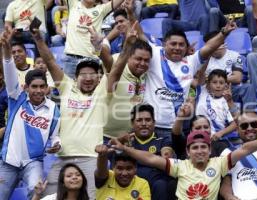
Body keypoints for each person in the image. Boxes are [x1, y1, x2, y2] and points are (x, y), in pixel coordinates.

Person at [107, 120, 257, 199]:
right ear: (188, 151)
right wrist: (124, 148)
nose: (199, 151)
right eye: (195, 147)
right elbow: (150, 159)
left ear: (209, 150)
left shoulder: (220, 163)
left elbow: (246, 148)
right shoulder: (179, 165)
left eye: (203, 147)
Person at [32, 28, 106, 198]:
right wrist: (38, 39)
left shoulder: (101, 92)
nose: (88, 78)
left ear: (99, 78)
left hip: (90, 158)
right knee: (45, 197)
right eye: (83, 75)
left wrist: (98, 48)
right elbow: (49, 60)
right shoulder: (67, 87)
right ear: (75, 77)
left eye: (92, 75)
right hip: (63, 159)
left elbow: (112, 68)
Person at [143, 20, 237, 139]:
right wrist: (130, 15)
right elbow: (140, 35)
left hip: (183, 127)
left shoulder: (192, 61)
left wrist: (224, 32)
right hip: (155, 127)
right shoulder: (154, 53)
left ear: (186, 47)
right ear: (164, 44)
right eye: (173, 44)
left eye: (181, 45)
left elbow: (209, 47)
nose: (177, 48)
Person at [0, 28, 61, 200]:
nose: (39, 90)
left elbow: (55, 137)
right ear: (26, 88)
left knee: (37, 194)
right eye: (34, 87)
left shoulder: (53, 109)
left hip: (33, 163)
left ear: (47, 88)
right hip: (8, 161)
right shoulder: (16, 97)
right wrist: (5, 49)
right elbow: (9, 68)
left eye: (42, 86)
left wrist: (57, 143)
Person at [103, 27, 153, 139]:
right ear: (129, 57)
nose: (142, 63)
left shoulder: (148, 73)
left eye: (146, 60)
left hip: (131, 139)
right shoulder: (117, 62)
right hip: (104, 136)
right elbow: (108, 62)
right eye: (138, 59)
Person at [63, 0, 125, 78]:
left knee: (91, 90)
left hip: (91, 60)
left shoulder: (102, 9)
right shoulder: (73, 3)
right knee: (69, 89)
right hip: (71, 59)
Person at [203, 31, 256, 106]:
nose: (209, 49)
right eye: (208, 47)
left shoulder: (234, 55)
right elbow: (202, 80)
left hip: (231, 89)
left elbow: (238, 78)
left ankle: (250, 113)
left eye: (212, 46)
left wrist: (215, 80)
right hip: (211, 91)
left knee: (248, 88)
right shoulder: (205, 59)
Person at [195, 69, 237, 156]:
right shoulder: (202, 92)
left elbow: (234, 124)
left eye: (221, 83)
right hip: (199, 140)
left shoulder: (225, 102)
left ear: (226, 85)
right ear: (208, 84)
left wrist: (221, 133)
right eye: (214, 82)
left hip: (218, 141)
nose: (218, 86)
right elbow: (201, 72)